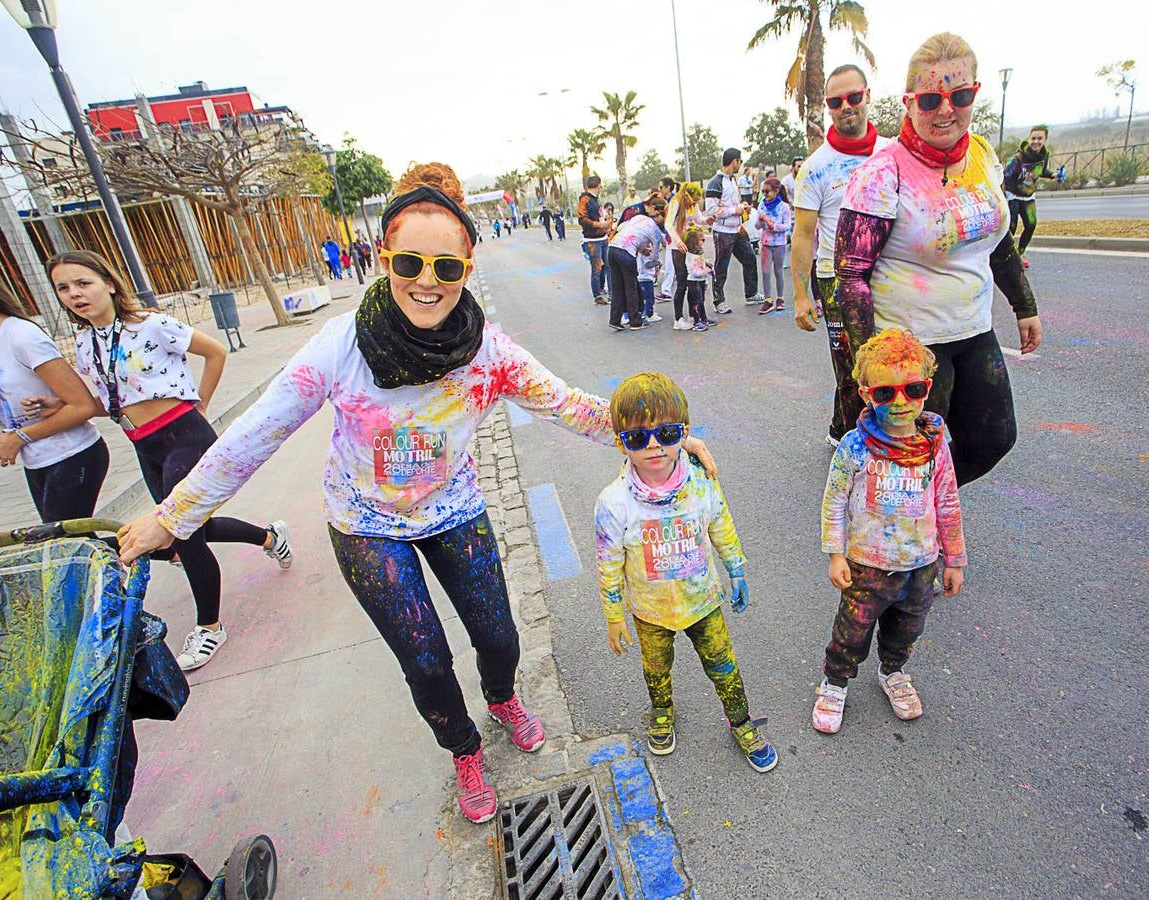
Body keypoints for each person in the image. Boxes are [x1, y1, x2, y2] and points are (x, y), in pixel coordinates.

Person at [116, 163, 718, 824]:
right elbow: (254, 434)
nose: (427, 283)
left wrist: (656, 437)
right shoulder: (339, 347)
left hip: (454, 511)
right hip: (365, 525)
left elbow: (568, 405)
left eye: (445, 267)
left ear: (466, 263)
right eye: (410, 262)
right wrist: (171, 518)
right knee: (426, 660)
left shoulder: (487, 351)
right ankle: (462, 748)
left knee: (499, 638)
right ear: (383, 260)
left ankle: (502, 698)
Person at [43, 249, 293, 672]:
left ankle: (210, 626)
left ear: (110, 283)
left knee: (184, 533)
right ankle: (270, 538)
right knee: (186, 529)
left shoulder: (152, 324)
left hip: (184, 435)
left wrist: (201, 405)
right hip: (143, 444)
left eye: (83, 283)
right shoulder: (86, 343)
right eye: (63, 288)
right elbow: (104, 398)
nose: (74, 294)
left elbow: (215, 352)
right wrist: (51, 404)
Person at [835, 32, 1041, 486]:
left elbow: (998, 236)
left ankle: (924, 508)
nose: (946, 110)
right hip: (911, 343)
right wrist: (870, 364)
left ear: (975, 94)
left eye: (960, 95)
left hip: (973, 327)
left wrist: (1024, 307)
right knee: (908, 453)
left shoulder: (983, 154)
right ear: (908, 103)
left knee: (994, 437)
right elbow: (850, 276)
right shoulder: (881, 173)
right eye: (931, 100)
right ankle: (893, 538)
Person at [594, 372, 777, 771]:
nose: (655, 445)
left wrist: (737, 569)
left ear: (686, 431)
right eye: (638, 438)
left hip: (704, 601)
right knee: (656, 667)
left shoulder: (701, 482)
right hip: (650, 611)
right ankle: (662, 711)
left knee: (723, 663)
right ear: (620, 440)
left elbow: (721, 525)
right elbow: (608, 564)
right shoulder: (614, 503)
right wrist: (613, 615)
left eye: (667, 432)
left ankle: (741, 720)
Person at [813, 329, 965, 732]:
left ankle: (893, 671)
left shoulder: (935, 444)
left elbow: (947, 501)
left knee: (907, 627)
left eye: (912, 389)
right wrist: (835, 554)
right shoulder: (855, 446)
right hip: (867, 566)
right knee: (851, 630)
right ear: (866, 394)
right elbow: (834, 501)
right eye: (885, 393)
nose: (900, 402)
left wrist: (955, 560)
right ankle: (835, 682)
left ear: (927, 388)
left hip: (921, 565)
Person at [0, 242, 107, 523]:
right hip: (35, 462)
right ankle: (157, 548)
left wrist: (18, 437)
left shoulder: (21, 335)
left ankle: (157, 546)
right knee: (66, 547)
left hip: (74, 453)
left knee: (60, 545)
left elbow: (82, 405)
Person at [793, 63, 889, 445]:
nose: (846, 106)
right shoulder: (816, 168)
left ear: (867, 96)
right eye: (836, 101)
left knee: (887, 360)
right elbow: (803, 235)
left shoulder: (892, 153)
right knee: (852, 367)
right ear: (828, 107)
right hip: (836, 280)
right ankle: (856, 443)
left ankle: (844, 426)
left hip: (889, 275)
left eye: (853, 97)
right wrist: (801, 295)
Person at [705, 149, 759, 312]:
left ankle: (751, 294)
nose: (740, 166)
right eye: (740, 162)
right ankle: (718, 301)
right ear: (734, 161)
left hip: (737, 229)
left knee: (749, 258)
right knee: (721, 267)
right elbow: (711, 210)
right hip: (722, 232)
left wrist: (743, 207)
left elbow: (732, 203)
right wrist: (735, 210)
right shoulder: (715, 182)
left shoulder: (732, 181)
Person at [606, 196, 667, 332]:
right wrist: (653, 261)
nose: (659, 218)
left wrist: (640, 249)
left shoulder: (639, 218)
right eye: (660, 215)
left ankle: (615, 320)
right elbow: (655, 253)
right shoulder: (656, 230)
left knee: (617, 288)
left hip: (613, 248)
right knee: (631, 288)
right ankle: (635, 321)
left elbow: (623, 228)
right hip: (626, 254)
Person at [1003, 126, 1061, 266]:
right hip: (1013, 195)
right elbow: (1006, 176)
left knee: (1031, 224)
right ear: (1029, 139)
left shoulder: (1044, 155)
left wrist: (1052, 175)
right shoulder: (1019, 157)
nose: (1036, 141)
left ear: (1045, 139)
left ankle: (1020, 252)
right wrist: (1005, 196)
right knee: (1011, 227)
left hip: (1029, 196)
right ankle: (1007, 257)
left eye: (1039, 138)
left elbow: (1040, 171)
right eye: (1033, 138)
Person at [665, 182, 708, 331]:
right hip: (678, 248)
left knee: (692, 282)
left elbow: (699, 218)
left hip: (690, 246)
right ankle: (678, 319)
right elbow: (668, 224)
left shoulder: (692, 204)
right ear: (686, 195)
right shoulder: (676, 203)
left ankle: (693, 316)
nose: (694, 203)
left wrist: (708, 220)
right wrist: (677, 241)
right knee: (682, 282)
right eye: (693, 200)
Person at [754, 177, 792, 315]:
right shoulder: (762, 205)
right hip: (765, 243)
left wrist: (774, 226)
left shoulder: (784, 207)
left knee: (778, 271)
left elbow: (787, 225)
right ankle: (768, 299)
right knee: (765, 272)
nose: (765, 195)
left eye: (767, 192)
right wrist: (760, 220)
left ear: (776, 191)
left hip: (779, 243)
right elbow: (757, 226)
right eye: (763, 192)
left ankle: (780, 298)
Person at [578, 176, 611, 305]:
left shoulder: (596, 200)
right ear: (599, 185)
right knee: (597, 268)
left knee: (609, 267)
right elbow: (582, 219)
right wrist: (599, 225)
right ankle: (597, 296)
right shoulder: (585, 200)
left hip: (603, 238)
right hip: (592, 240)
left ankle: (612, 293)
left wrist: (606, 221)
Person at [683, 227, 714, 333]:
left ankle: (703, 318)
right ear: (694, 241)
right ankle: (696, 321)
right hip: (694, 281)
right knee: (697, 301)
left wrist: (707, 266)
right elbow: (694, 271)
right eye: (702, 240)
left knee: (701, 300)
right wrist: (706, 270)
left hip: (700, 280)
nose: (704, 241)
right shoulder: (691, 255)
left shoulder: (698, 253)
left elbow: (701, 265)